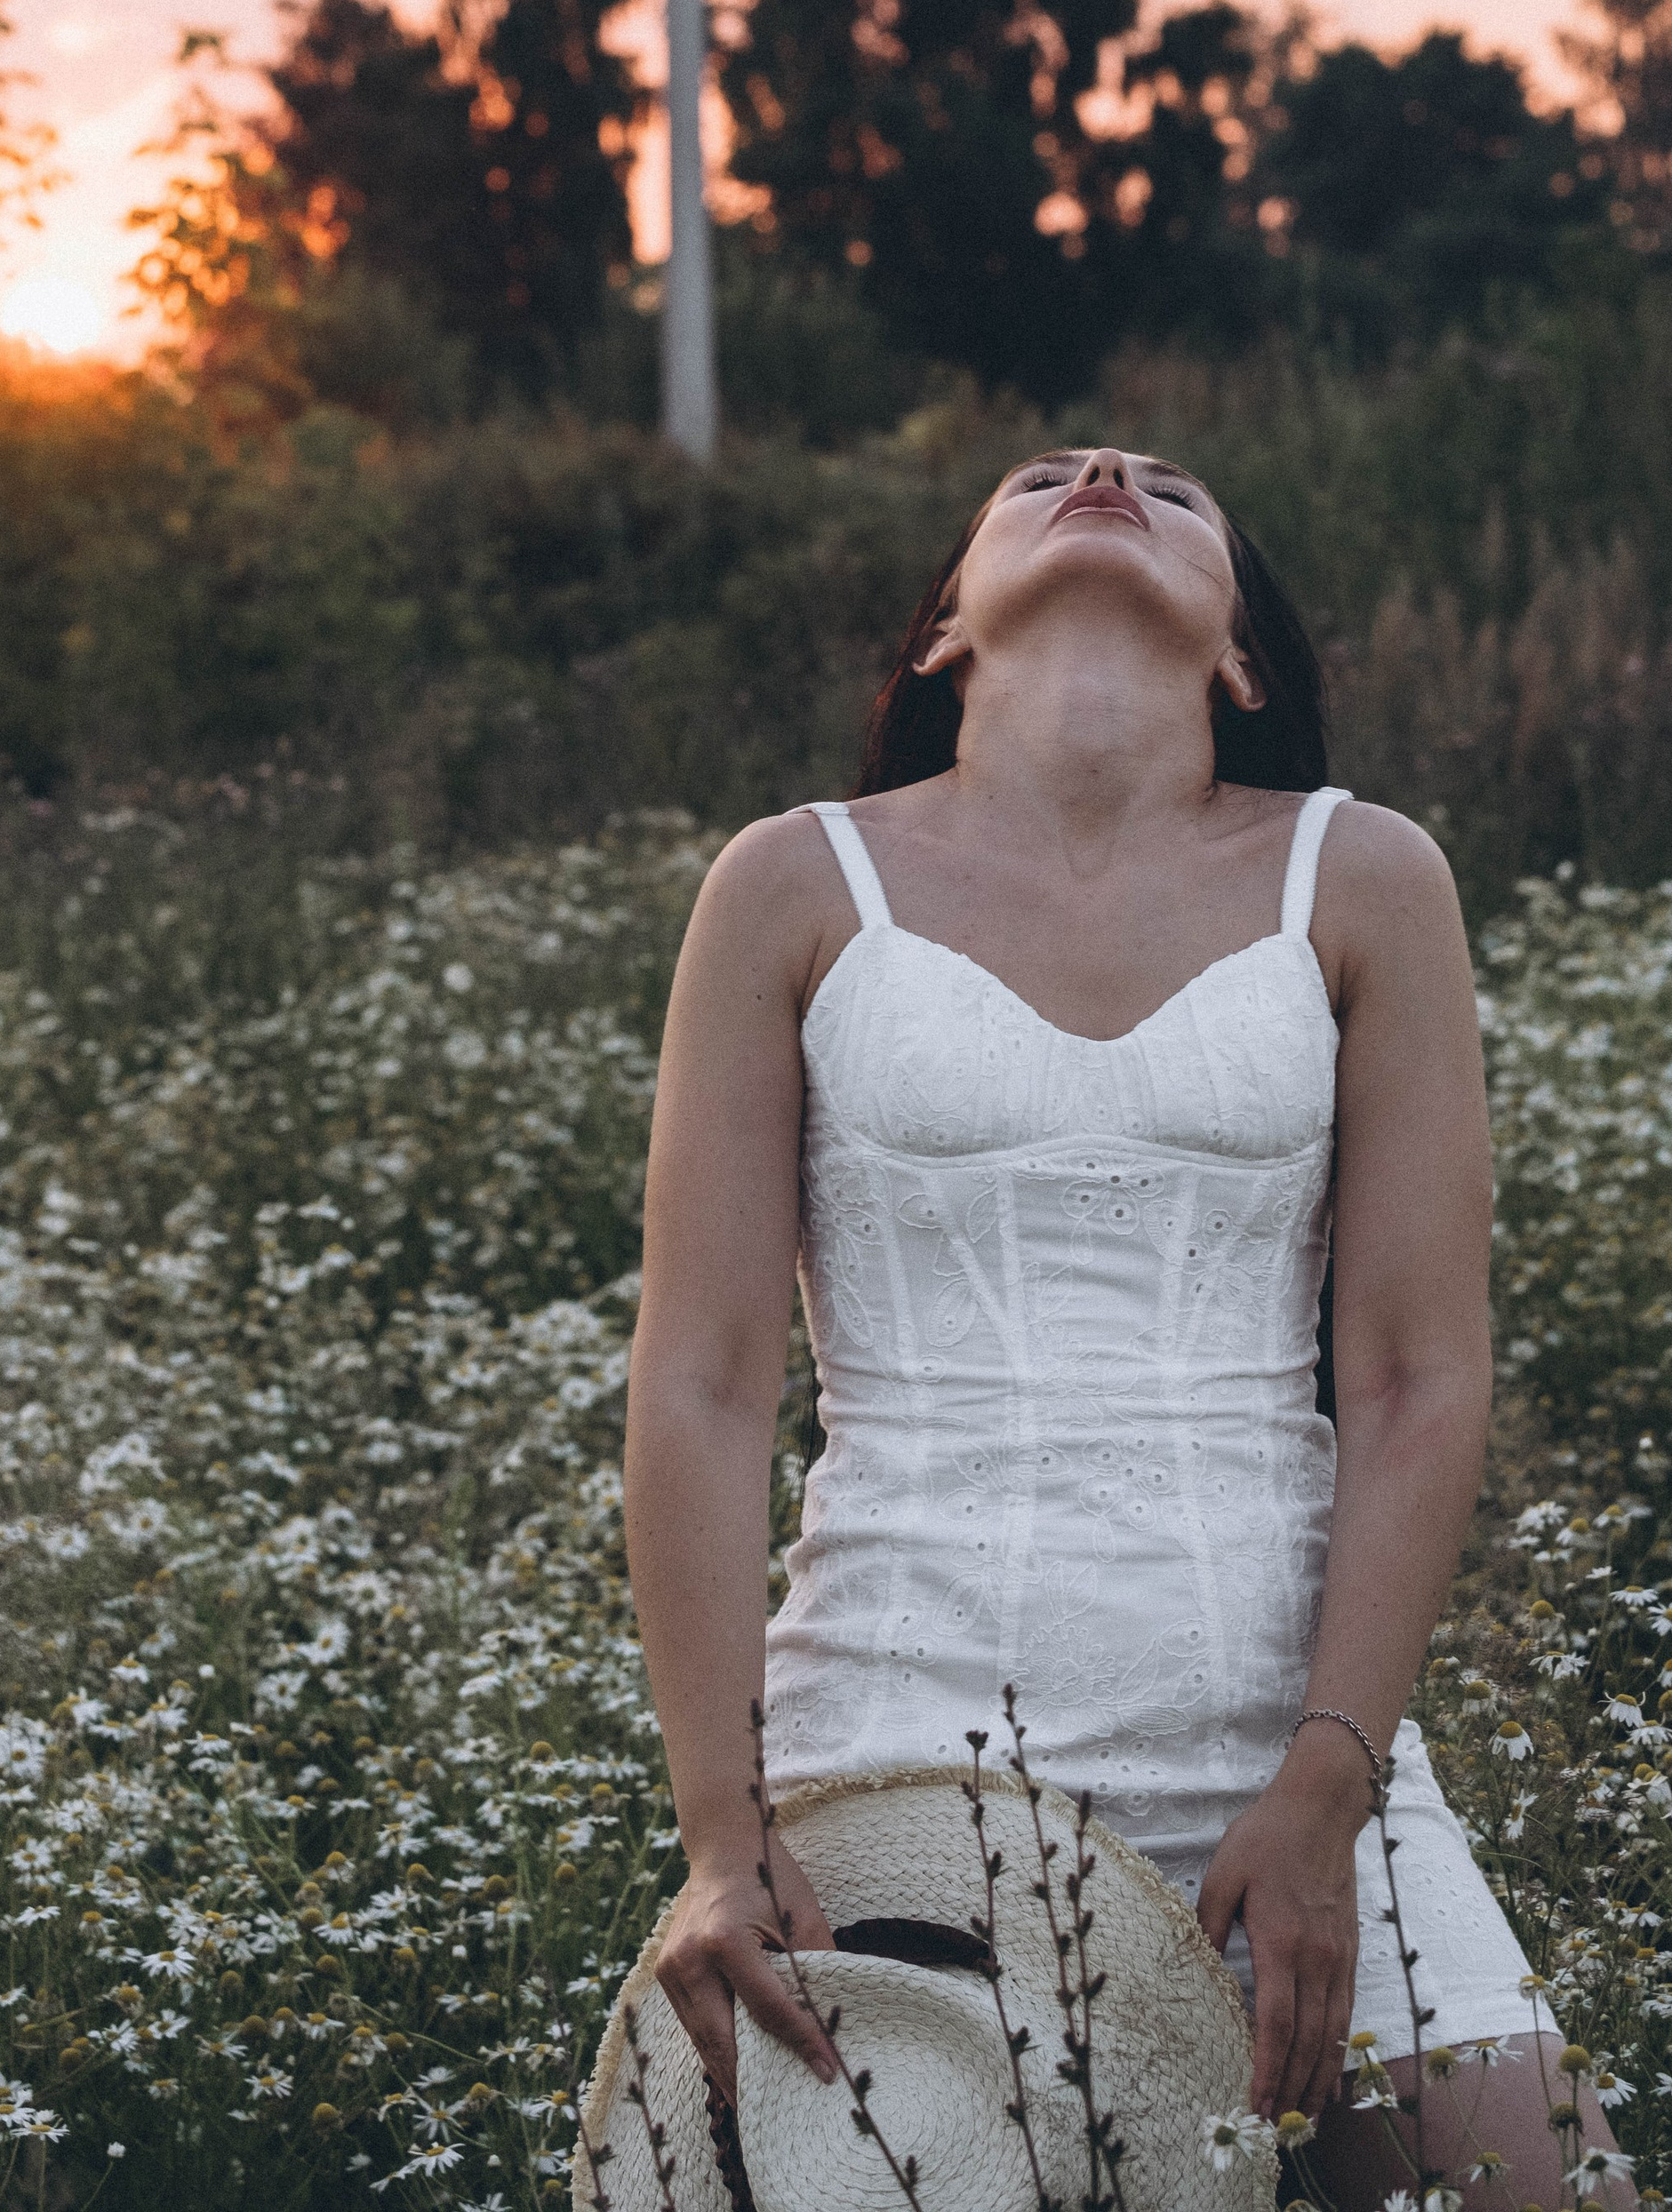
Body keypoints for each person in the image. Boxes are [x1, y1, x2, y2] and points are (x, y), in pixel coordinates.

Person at [624, 445, 1628, 2206]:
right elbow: (702, 1384)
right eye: (1041, 477)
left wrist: (1325, 1789)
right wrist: (721, 1841)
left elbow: (1411, 1377)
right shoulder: (789, 886)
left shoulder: (1361, 874)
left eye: (1165, 486)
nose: (1098, 475)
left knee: (1541, 2187)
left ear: (1239, 661)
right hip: (898, 1772)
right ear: (944, 625)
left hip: (1290, 1768)